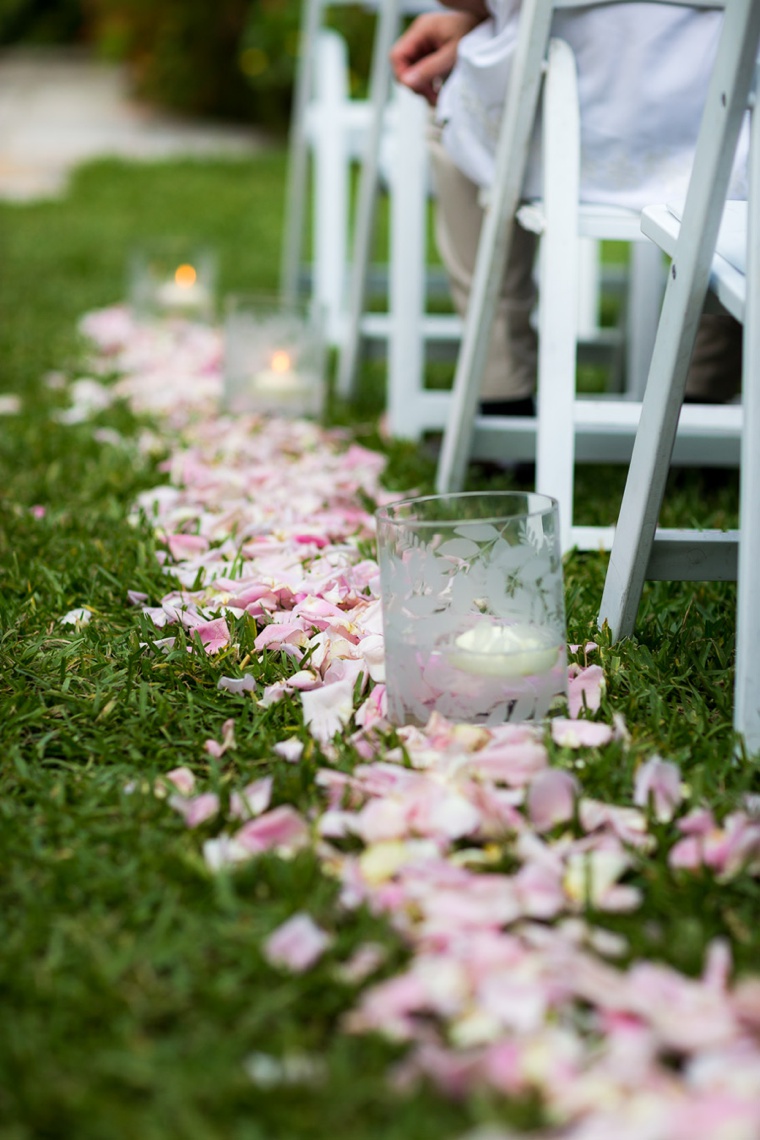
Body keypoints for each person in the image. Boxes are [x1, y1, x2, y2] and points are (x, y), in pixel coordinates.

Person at [390, 1, 747, 412]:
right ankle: (702, 386)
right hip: (716, 136)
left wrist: (481, 17)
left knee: (456, 123)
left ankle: (503, 388)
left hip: (559, 132)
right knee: (736, 184)